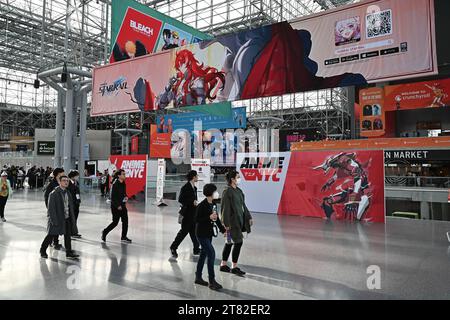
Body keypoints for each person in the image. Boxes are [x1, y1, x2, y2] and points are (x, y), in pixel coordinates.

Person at [220, 170, 253, 276]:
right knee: (238, 242)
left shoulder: (239, 191)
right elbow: (224, 209)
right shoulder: (227, 192)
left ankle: (223, 265)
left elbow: (244, 206)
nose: (239, 179)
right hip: (231, 224)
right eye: (238, 177)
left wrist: (249, 217)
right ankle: (234, 267)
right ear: (232, 179)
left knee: (229, 243)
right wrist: (226, 225)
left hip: (239, 221)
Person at [194, 183, 226, 290]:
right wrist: (208, 217)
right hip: (201, 234)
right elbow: (196, 219)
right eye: (215, 191)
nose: (217, 193)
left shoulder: (213, 204)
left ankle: (198, 277)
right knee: (211, 254)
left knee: (203, 254)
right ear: (210, 193)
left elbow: (216, 219)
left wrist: (223, 230)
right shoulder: (201, 205)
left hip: (209, 234)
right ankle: (212, 281)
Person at [40, 175, 79, 259]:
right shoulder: (53, 194)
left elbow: (70, 206)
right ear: (59, 182)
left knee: (67, 236)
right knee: (50, 235)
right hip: (57, 219)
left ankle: (68, 252)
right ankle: (42, 250)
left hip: (66, 218)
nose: (66, 182)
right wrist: (54, 221)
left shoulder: (68, 193)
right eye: (64, 180)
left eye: (67, 181)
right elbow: (51, 209)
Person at [169, 170, 201, 260]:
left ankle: (196, 249)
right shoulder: (185, 187)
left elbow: (194, 200)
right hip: (187, 214)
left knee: (194, 233)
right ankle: (173, 247)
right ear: (193, 177)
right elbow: (181, 199)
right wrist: (192, 202)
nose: (198, 177)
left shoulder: (194, 188)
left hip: (193, 213)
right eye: (197, 176)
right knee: (183, 232)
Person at [101, 169, 132, 243]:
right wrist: (118, 206)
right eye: (123, 174)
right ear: (119, 175)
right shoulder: (115, 184)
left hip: (123, 205)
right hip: (116, 207)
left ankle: (123, 237)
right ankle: (105, 232)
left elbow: (124, 193)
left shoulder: (123, 183)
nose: (125, 175)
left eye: (125, 174)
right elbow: (112, 197)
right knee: (115, 222)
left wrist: (126, 196)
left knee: (125, 221)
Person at [44, 167, 65, 250]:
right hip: (53, 209)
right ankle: (47, 244)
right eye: (62, 174)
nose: (63, 175)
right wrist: (49, 209)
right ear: (57, 175)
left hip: (60, 209)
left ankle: (55, 242)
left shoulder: (62, 183)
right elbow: (47, 197)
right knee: (53, 226)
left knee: (58, 225)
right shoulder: (51, 184)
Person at [68, 170, 82, 239]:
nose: (78, 177)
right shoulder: (68, 183)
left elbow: (77, 193)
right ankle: (71, 233)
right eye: (77, 175)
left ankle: (74, 232)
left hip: (76, 203)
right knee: (72, 218)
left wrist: (78, 201)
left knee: (75, 218)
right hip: (71, 203)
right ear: (73, 176)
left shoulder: (76, 182)